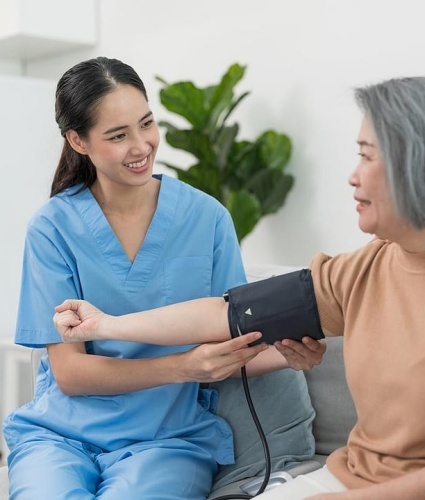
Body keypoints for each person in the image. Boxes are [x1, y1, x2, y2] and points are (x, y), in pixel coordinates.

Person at [54, 76, 425, 499]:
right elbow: (224, 314)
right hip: (350, 478)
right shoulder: (365, 268)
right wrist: (108, 324)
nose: (351, 175)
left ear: (417, 165)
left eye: (366, 156)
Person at [2, 56, 323, 500]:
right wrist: (181, 367)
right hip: (61, 435)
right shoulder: (52, 228)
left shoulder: (207, 218)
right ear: (78, 140)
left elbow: (235, 341)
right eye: (118, 135)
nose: (141, 146)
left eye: (146, 124)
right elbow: (71, 373)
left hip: (169, 442)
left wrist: (292, 353)